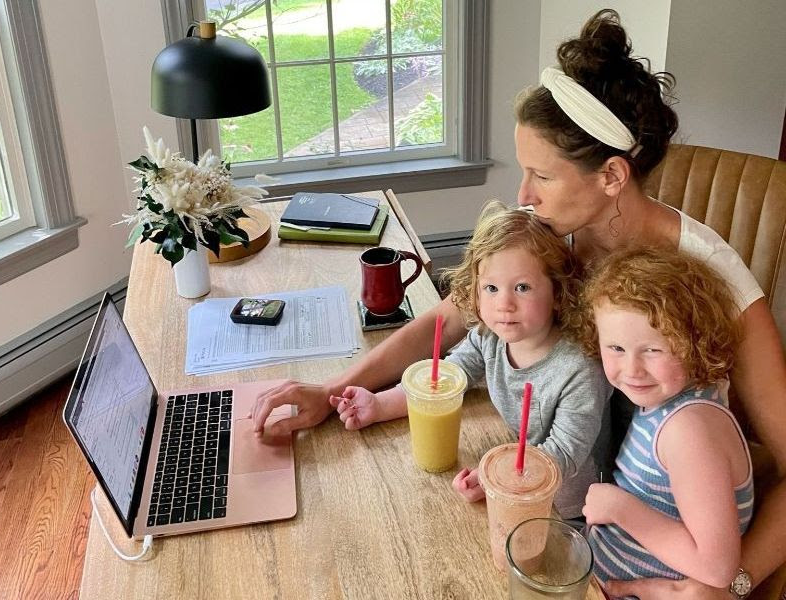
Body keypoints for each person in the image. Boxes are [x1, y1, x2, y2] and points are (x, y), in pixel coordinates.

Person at [253, 10, 786, 598]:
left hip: (663, 540)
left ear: (611, 175)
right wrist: (332, 392)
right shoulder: (545, 235)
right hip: (575, 517)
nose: (522, 196)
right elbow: (447, 320)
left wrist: (730, 584)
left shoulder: (714, 279)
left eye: (541, 176)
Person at [329, 201, 612, 518]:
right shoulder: (490, 336)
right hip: (513, 486)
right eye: (490, 287)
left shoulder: (580, 370)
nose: (504, 304)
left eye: (522, 287)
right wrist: (379, 405)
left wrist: (498, 478)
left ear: (558, 292)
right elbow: (444, 381)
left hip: (569, 508)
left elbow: (563, 453)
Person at [578, 247, 753, 591]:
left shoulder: (689, 430)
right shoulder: (674, 400)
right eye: (615, 348)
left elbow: (717, 567)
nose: (632, 369)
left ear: (696, 343)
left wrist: (619, 508)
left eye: (653, 350)